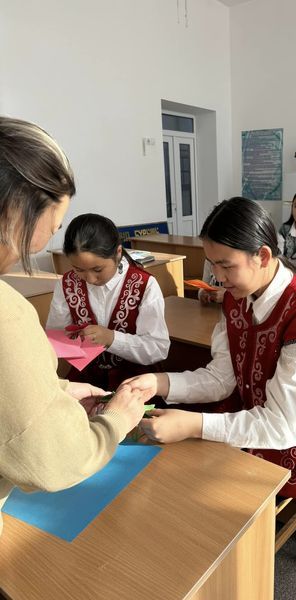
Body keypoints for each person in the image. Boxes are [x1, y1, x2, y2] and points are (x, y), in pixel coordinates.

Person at [123, 197, 296, 500]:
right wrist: (159, 382)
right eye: (212, 264)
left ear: (263, 256)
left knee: (195, 495)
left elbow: (282, 426)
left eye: (226, 265)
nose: (217, 277)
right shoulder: (237, 297)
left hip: (287, 440)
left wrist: (194, 425)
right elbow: (222, 378)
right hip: (243, 417)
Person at [0, 116, 149, 535]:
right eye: (54, 222)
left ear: (117, 255)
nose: (48, 236)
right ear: (18, 211)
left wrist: (55, 390)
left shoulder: (144, 286)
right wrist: (111, 422)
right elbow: (54, 459)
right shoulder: (14, 311)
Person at [47, 213, 170, 390]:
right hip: (86, 380)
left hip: (134, 381)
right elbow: (55, 335)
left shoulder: (144, 284)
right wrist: (68, 341)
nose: (90, 279)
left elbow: (158, 348)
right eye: (78, 269)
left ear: (118, 253)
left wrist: (112, 338)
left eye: (97, 269)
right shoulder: (66, 284)